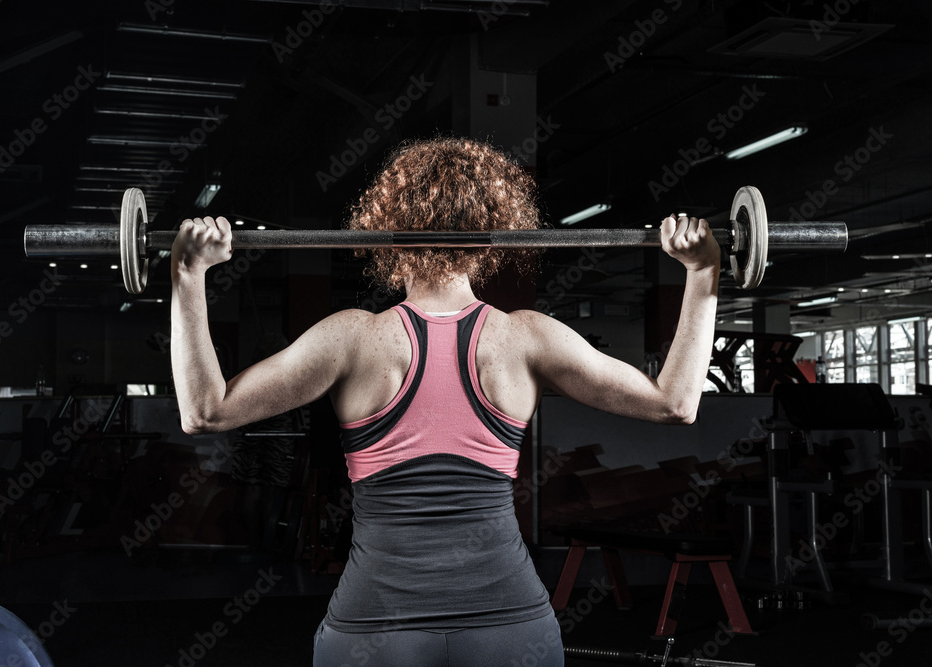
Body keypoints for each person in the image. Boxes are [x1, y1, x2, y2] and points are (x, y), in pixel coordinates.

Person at [170, 137, 720, 666]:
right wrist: (702, 273)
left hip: (375, 629)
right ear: (489, 240)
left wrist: (189, 275)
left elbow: (205, 411)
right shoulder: (527, 338)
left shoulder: (350, 338)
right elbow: (675, 402)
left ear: (389, 231)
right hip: (510, 626)